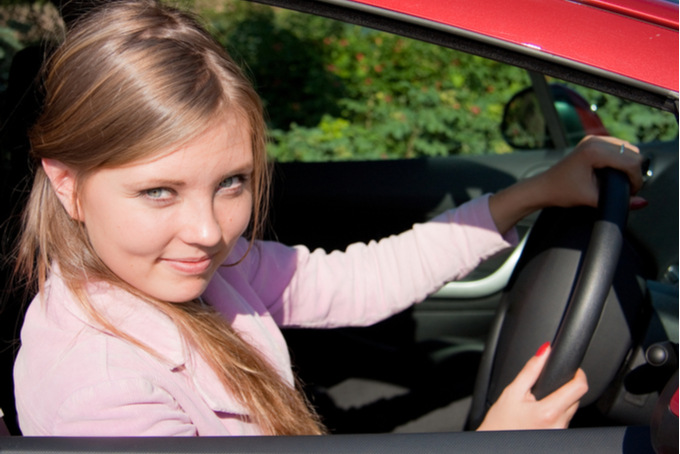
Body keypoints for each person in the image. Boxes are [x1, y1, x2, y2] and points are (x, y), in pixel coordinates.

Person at [11, 0, 644, 437]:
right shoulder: (100, 394)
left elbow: (360, 281)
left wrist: (532, 193)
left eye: (231, 182)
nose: (209, 231)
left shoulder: (210, 271)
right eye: (158, 192)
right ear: (67, 184)